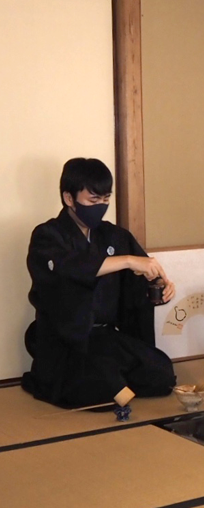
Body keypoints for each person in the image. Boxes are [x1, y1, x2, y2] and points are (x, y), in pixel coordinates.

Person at [22, 158, 177, 409]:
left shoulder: (114, 235)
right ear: (69, 198)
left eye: (105, 199)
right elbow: (69, 268)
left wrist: (158, 284)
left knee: (161, 374)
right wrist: (127, 260)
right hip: (66, 340)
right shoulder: (47, 235)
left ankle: (115, 380)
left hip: (105, 336)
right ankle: (101, 382)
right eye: (93, 200)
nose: (101, 206)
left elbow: (140, 276)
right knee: (103, 389)